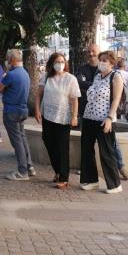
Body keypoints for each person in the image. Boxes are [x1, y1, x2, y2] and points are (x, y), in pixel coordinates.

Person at [80, 50, 125, 194]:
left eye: (105, 60)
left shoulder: (116, 76)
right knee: (86, 150)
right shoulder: (97, 76)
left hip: (104, 119)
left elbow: (116, 99)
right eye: (101, 60)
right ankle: (91, 180)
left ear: (112, 63)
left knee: (106, 152)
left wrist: (110, 118)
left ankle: (114, 184)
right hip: (89, 117)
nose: (102, 62)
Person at [34, 52, 80, 189]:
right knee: (48, 142)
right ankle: (58, 171)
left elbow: (74, 99)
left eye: (62, 61)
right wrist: (37, 110)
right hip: (48, 116)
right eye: (57, 62)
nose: (60, 64)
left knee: (62, 147)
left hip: (63, 117)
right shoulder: (46, 77)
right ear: (52, 63)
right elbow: (38, 95)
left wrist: (74, 116)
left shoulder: (70, 79)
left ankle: (64, 177)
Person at [0, 49, 33, 181]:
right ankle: (29, 166)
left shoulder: (11, 74)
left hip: (11, 111)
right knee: (22, 139)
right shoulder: (25, 73)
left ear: (11, 60)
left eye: (7, 59)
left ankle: (22, 172)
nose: (7, 61)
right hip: (22, 110)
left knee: (17, 142)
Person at [75, 44, 101, 121]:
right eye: (88, 51)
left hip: (101, 109)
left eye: (93, 51)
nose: (91, 53)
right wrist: (98, 84)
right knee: (85, 132)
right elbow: (79, 83)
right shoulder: (81, 69)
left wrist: (86, 84)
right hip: (84, 108)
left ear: (99, 53)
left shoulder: (104, 69)